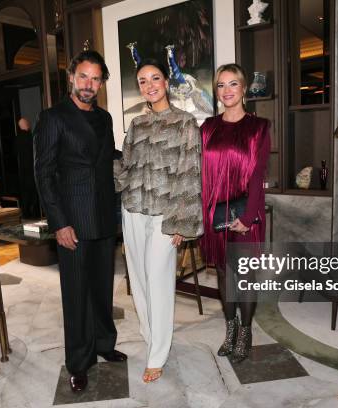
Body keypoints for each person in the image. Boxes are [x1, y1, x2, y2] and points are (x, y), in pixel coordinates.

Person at [33, 50, 126, 393]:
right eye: (83, 77)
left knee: (102, 289)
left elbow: (108, 158)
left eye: (95, 78)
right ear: (71, 77)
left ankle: (104, 343)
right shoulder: (52, 117)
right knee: (76, 294)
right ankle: (79, 361)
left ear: (102, 82)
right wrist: (59, 223)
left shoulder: (104, 118)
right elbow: (44, 174)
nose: (89, 84)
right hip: (72, 221)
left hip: (103, 216)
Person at [115, 59, 203, 383]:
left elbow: (191, 174)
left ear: (165, 82)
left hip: (166, 217)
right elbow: (125, 167)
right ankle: (150, 335)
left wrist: (182, 223)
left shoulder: (185, 123)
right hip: (133, 210)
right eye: (142, 81)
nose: (149, 85)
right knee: (138, 280)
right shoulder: (136, 125)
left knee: (159, 281)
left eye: (155, 78)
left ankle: (158, 354)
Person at [200, 63, 270, 363]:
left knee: (246, 276)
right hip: (215, 215)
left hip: (245, 214)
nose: (227, 91)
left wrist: (249, 215)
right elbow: (199, 172)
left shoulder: (259, 127)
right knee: (224, 274)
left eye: (233, 84)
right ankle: (229, 330)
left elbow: (258, 176)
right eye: (221, 85)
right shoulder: (207, 128)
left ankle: (246, 331)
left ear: (244, 89)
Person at [15, 117, 39, 218]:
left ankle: (26, 213)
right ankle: (35, 213)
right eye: (28, 123)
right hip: (32, 168)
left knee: (25, 193)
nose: (29, 124)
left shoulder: (17, 139)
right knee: (34, 192)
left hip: (22, 170)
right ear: (26, 125)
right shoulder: (31, 137)